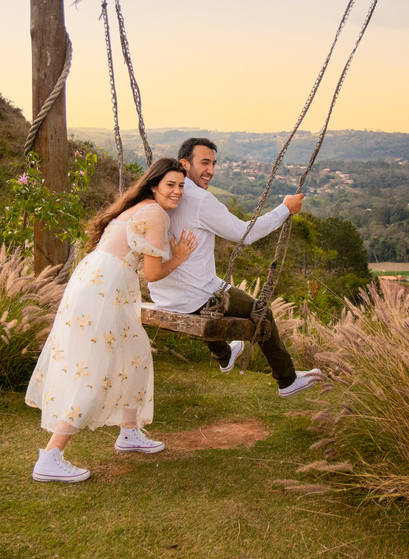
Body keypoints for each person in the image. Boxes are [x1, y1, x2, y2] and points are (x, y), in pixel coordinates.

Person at [25, 158, 198, 483]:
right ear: (154, 186)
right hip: (106, 289)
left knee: (134, 356)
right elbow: (153, 274)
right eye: (170, 184)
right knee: (95, 369)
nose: (177, 191)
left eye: (181, 185)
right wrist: (179, 257)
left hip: (95, 280)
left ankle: (129, 432)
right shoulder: (155, 214)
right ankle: (50, 456)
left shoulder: (137, 207)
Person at [148, 137, 324, 397]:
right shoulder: (199, 200)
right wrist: (284, 209)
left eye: (214, 164)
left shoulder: (163, 193)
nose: (211, 170)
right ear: (184, 164)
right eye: (204, 163)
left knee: (216, 287)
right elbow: (245, 234)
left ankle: (225, 355)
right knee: (260, 311)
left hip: (163, 293)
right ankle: (287, 380)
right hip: (194, 295)